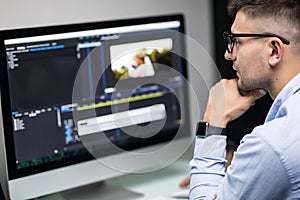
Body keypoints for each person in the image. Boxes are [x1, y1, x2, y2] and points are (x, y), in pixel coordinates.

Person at [190, 0, 300, 199]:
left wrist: (213, 121)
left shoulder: (273, 145)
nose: (228, 54)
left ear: (274, 50)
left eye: (237, 42)